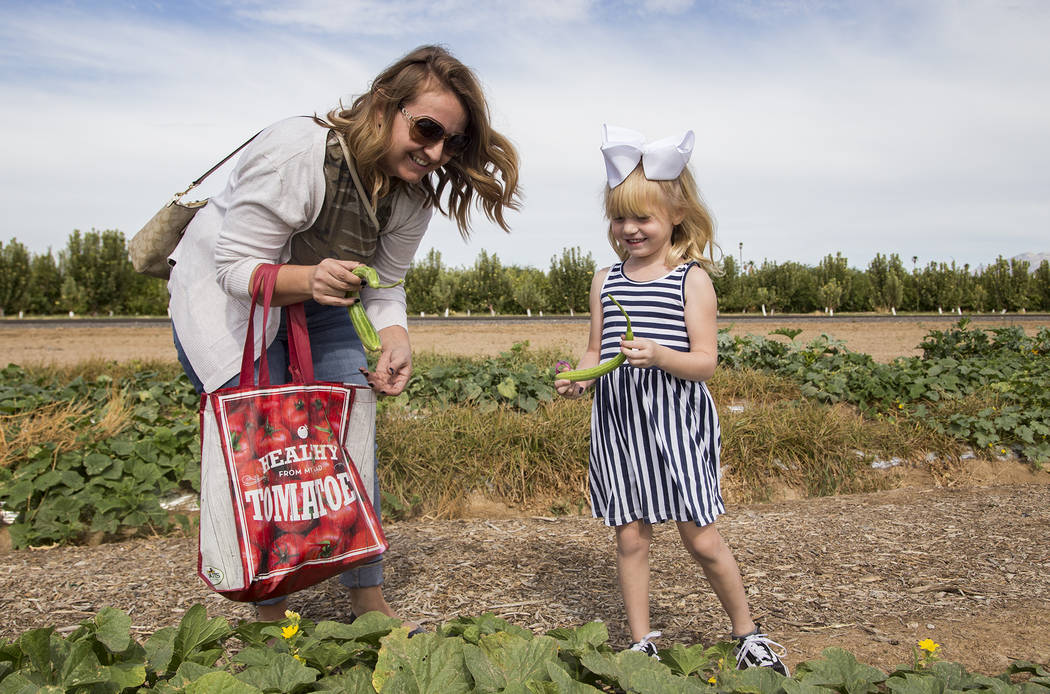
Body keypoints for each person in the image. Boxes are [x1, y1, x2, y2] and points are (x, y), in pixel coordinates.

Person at [167, 45, 520, 625]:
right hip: (229, 296)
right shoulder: (296, 152)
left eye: (450, 143)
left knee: (351, 437)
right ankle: (270, 606)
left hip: (324, 294)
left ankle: (367, 595)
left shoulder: (411, 194)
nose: (435, 153)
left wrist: (396, 339)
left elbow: (384, 287)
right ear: (384, 106)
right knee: (262, 449)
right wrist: (307, 277)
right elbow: (234, 269)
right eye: (427, 129)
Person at [554, 124, 788, 674]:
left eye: (643, 218)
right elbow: (596, 349)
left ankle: (748, 634)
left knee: (701, 537)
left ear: (676, 215)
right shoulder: (604, 279)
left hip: (675, 425)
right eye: (619, 217)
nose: (629, 229)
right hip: (619, 425)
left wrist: (660, 355)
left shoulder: (691, 281)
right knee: (630, 537)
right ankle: (641, 643)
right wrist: (579, 379)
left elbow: (705, 362)